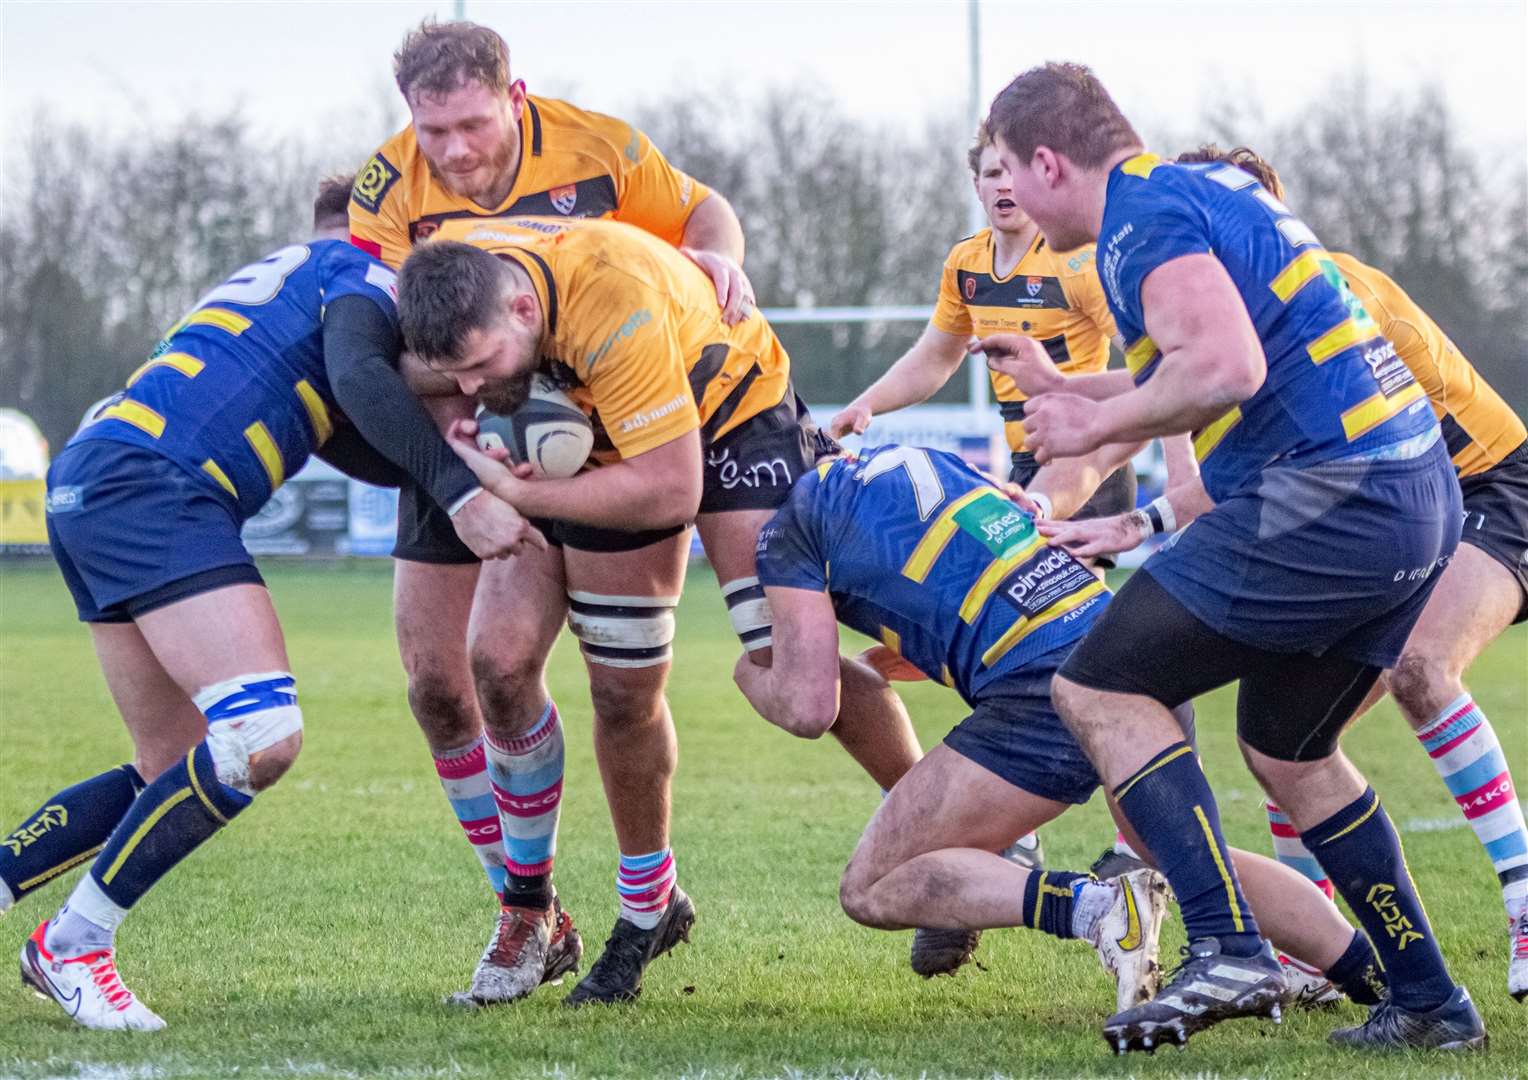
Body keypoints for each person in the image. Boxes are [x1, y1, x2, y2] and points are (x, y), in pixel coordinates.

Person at [980, 63, 1483, 1052]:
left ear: (1046, 162)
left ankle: (1229, 946)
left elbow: (1225, 370)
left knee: (1096, 688)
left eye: (1003, 169)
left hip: (1335, 495)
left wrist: (1091, 431)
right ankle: (1428, 999)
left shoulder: (1139, 223)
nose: (1004, 198)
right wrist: (1071, 388)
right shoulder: (1199, 192)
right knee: (1287, 748)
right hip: (1411, 489)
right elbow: (1206, 348)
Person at [0, 179, 536, 1030]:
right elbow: (365, 378)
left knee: (163, 765)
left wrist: (471, 472)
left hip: (94, 475)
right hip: (159, 489)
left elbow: (358, 426)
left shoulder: (291, 287)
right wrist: (462, 492)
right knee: (259, 737)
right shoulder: (358, 272)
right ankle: (70, 946)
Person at [347, 17, 769, 1008]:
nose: (449, 150)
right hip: (462, 434)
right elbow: (367, 326)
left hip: (609, 432)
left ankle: (606, 901)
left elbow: (705, 216)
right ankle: (528, 906)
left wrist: (719, 262)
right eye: (429, 128)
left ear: (516, 96)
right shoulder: (386, 187)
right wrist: (464, 440)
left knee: (639, 678)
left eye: (469, 124)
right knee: (442, 682)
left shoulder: (600, 149)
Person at [395, 213, 910, 1005]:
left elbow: (671, 487)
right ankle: (558, 911)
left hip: (727, 420)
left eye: (477, 366)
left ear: (524, 313)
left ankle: (959, 830)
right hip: (591, 433)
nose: (468, 385)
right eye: (452, 373)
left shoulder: (612, 303)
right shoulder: (456, 268)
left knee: (783, 671)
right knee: (496, 664)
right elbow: (407, 370)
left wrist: (518, 490)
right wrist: (476, 426)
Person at [732, 443, 1384, 1020]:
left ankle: (1097, 909)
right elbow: (986, 559)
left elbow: (809, 705)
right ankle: (1366, 970)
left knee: (871, 887)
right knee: (1179, 849)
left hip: (1050, 689)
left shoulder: (787, 524)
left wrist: (751, 673)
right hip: (1126, 639)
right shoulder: (916, 456)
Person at [830, 123, 1138, 535]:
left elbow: (1154, 362)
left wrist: (1180, 461)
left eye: (1015, 172)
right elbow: (936, 357)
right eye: (993, 174)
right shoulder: (966, 262)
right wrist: (867, 404)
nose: (1004, 184)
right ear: (977, 185)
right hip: (1026, 460)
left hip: (1085, 456)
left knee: (1063, 596)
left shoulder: (1075, 261)